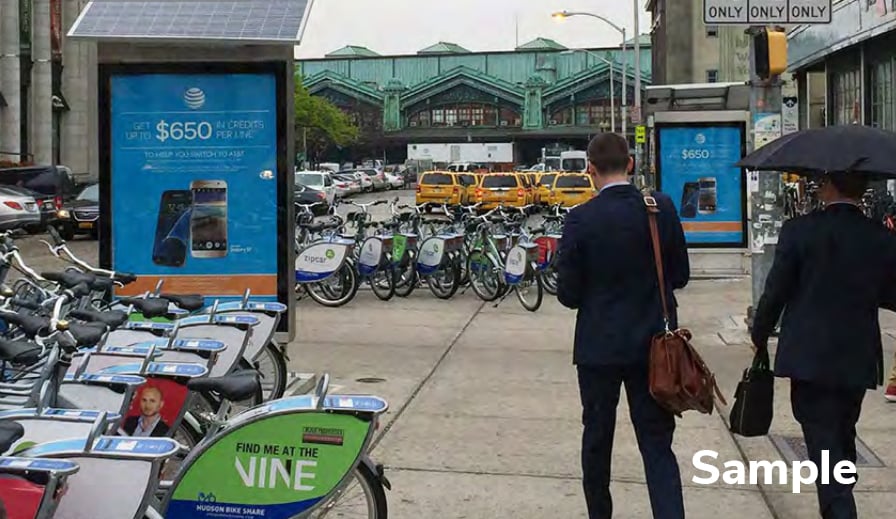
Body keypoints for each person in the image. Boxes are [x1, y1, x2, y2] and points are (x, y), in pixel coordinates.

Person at [557, 133, 690, 519]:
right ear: (630, 164)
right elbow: (679, 275)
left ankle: (600, 512)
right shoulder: (659, 209)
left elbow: (569, 293)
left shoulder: (581, 218)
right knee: (656, 444)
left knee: (597, 439)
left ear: (590, 170)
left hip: (598, 348)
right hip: (654, 348)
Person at [752, 171, 896, 519]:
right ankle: (840, 486)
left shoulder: (799, 231)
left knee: (822, 436)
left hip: (808, 352)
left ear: (829, 186)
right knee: (841, 428)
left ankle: (839, 504)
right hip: (856, 353)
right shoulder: (880, 238)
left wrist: (761, 332)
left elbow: (775, 292)